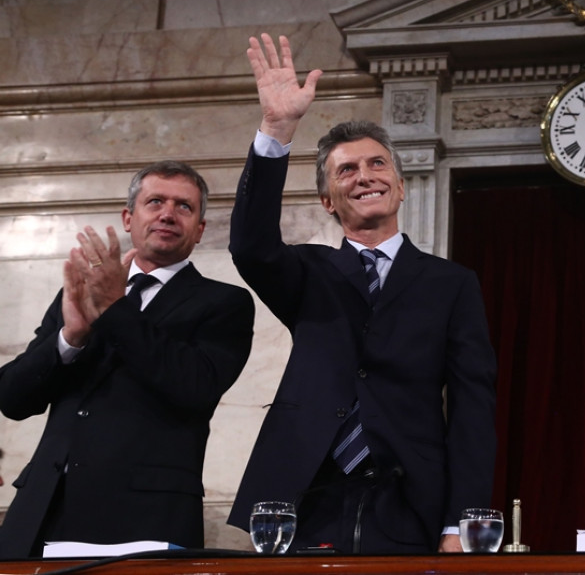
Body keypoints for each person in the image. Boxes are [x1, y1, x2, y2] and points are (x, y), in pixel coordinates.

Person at [226, 34, 497, 554]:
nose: (364, 176)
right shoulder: (309, 271)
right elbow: (250, 246)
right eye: (346, 170)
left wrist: (458, 523)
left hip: (411, 500)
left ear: (400, 185)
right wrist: (276, 131)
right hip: (304, 499)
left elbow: (471, 408)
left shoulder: (451, 284)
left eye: (377, 165)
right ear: (328, 200)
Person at [0, 161, 255, 557]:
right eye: (155, 202)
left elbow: (194, 388)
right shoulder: (78, 294)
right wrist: (70, 337)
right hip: (43, 512)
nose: (168, 213)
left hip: (144, 521)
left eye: (184, 207)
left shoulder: (225, 303)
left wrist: (116, 308)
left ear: (200, 229)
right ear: (128, 218)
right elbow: (13, 399)